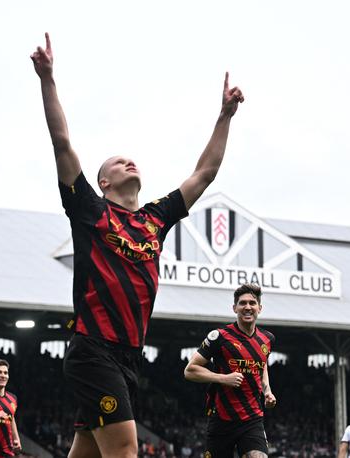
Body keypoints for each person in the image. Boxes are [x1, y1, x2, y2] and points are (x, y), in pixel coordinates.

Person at [31, 32, 244, 458]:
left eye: (131, 158)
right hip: (94, 349)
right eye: (115, 161)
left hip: (129, 356)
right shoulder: (90, 210)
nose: (128, 160)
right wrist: (47, 79)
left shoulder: (154, 218)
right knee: (126, 451)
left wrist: (225, 117)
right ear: (103, 181)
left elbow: (204, 174)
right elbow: (62, 143)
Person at [184, 283, 276, 458]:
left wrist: (267, 391)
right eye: (242, 303)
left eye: (252, 303)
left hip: (252, 419)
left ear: (260, 308)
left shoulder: (267, 339)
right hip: (222, 420)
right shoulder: (220, 337)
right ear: (234, 308)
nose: (247, 307)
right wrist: (223, 378)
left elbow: (261, 365)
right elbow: (190, 370)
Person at [0, 359, 21, 457]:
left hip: (8, 452)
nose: (3, 375)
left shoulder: (13, 398)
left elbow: (11, 417)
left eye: (5, 373)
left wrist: (16, 438)